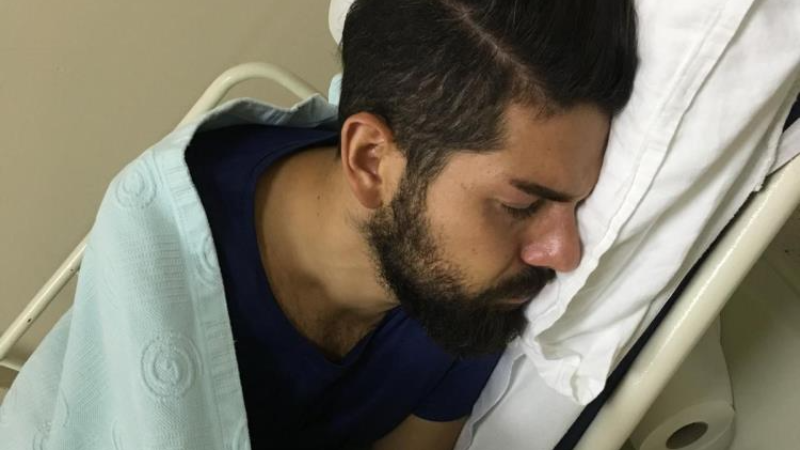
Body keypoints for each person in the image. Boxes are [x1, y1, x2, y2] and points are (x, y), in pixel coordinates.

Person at [184, 1, 634, 449]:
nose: (565, 254)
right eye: (522, 205)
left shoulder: (465, 298)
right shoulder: (182, 276)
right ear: (371, 161)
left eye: (577, 206)